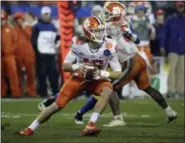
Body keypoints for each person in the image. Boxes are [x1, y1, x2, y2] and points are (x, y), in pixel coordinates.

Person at [37, 2, 178, 127]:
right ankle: (169, 111)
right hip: (137, 58)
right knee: (146, 88)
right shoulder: (121, 22)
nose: (105, 14)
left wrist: (82, 32)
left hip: (130, 61)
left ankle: (114, 117)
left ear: (116, 16)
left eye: (109, 13)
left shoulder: (112, 25)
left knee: (107, 88)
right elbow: (136, 40)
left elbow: (90, 32)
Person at [18, 16, 122, 136]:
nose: (101, 34)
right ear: (88, 32)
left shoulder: (110, 45)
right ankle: (30, 128)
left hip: (97, 79)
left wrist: (101, 73)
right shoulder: (79, 43)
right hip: (78, 77)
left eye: (101, 30)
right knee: (57, 105)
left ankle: (91, 124)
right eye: (97, 31)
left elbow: (118, 72)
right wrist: (78, 66)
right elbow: (65, 66)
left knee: (108, 91)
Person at [31, 6, 59, 97]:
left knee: (53, 74)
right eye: (45, 14)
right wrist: (37, 52)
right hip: (41, 54)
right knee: (42, 75)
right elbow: (33, 41)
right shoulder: (37, 26)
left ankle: (55, 92)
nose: (47, 16)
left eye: (48, 14)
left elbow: (56, 39)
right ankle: (43, 93)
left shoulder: (53, 26)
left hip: (51, 53)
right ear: (42, 15)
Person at [161, 1, 185, 98]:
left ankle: (181, 90)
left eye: (182, 6)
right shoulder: (170, 20)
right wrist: (163, 46)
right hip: (173, 48)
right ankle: (171, 90)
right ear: (176, 7)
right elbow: (164, 34)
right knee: (172, 70)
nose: (180, 8)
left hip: (183, 48)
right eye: (179, 6)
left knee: (182, 71)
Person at [13, 12, 36, 97]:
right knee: (18, 74)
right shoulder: (14, 29)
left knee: (30, 74)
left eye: (19, 19)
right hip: (18, 54)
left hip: (28, 54)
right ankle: (19, 91)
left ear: (22, 19)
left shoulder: (28, 28)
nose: (18, 21)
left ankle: (31, 92)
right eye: (16, 19)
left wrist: (24, 28)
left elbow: (30, 37)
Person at [1, 11, 21, 97]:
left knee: (13, 75)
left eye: (2, 19)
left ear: (5, 19)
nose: (1, 21)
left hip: (9, 56)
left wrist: (10, 51)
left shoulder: (10, 29)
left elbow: (15, 42)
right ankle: (2, 93)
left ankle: (15, 93)